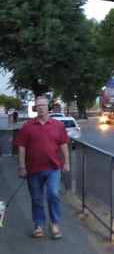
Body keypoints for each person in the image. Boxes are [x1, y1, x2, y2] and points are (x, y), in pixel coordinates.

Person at [14, 96, 70, 239]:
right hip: (33, 169)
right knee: (37, 199)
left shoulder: (57, 125)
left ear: (48, 107)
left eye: (43, 105)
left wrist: (67, 162)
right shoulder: (27, 126)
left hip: (53, 167)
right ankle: (39, 225)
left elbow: (64, 145)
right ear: (35, 108)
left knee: (53, 194)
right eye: (38, 106)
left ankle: (55, 223)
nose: (40, 108)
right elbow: (21, 148)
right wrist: (22, 167)